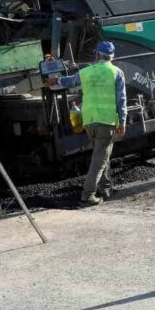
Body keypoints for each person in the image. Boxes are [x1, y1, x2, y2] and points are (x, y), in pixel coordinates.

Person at [49, 42, 127, 207]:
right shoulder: (116, 72)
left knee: (101, 155)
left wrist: (56, 80)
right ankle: (88, 195)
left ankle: (105, 188)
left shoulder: (85, 72)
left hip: (89, 122)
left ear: (97, 55)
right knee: (100, 159)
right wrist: (123, 121)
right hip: (107, 121)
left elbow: (70, 81)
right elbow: (121, 100)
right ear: (112, 56)